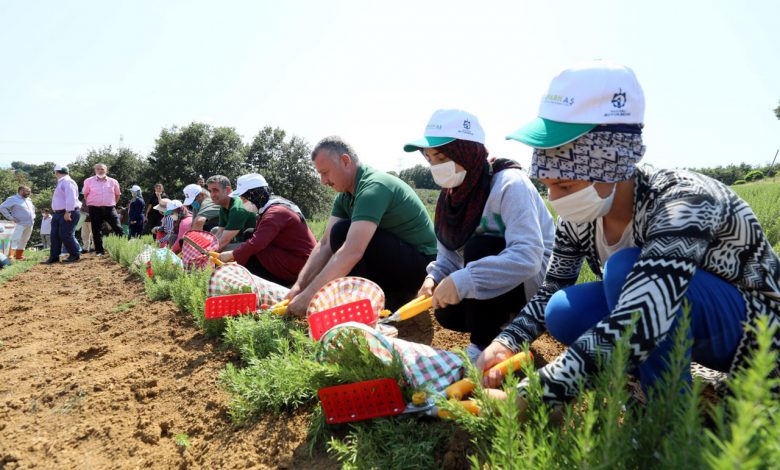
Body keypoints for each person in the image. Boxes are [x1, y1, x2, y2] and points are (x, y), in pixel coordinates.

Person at [477, 60, 780, 407]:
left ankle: (666, 411)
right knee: (563, 310)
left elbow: (645, 309)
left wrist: (535, 395)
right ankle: (645, 378)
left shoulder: (685, 200)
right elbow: (552, 287)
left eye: (565, 185)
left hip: (760, 336)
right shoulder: (581, 216)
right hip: (685, 325)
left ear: (611, 164)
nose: (555, 199)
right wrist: (507, 341)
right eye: (548, 185)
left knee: (625, 269)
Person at [403, 109, 555, 363]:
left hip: (535, 285)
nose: (435, 167)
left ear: (466, 151)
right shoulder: (451, 197)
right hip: (500, 283)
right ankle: (503, 325)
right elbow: (448, 256)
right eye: (430, 159)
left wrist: (464, 279)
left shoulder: (509, 183)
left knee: (481, 246)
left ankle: (484, 343)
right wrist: (434, 278)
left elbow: (528, 256)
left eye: (442, 157)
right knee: (447, 312)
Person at [285, 136, 438, 316]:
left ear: (345, 161)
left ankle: (379, 300)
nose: (323, 181)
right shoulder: (345, 196)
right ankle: (374, 298)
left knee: (342, 232)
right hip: (396, 259)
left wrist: (309, 297)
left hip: (423, 267)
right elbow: (325, 244)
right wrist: (299, 287)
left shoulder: (374, 187)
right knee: (337, 234)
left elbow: (352, 251)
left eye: (325, 172)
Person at [217, 173, 316, 287]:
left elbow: (257, 243)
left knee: (253, 251)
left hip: (300, 264)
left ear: (255, 195)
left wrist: (232, 254)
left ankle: (268, 285)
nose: (242, 202)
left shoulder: (275, 212)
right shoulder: (273, 204)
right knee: (249, 234)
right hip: (296, 257)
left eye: (244, 198)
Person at [41, 165, 81, 264]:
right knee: (54, 235)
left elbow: (71, 197)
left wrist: (68, 211)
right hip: (58, 213)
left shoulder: (67, 181)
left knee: (66, 235)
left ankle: (75, 255)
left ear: (56, 172)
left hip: (67, 211)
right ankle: (54, 257)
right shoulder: (62, 181)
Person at [206, 175, 257, 251]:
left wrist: (204, 254)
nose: (212, 195)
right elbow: (220, 232)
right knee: (215, 230)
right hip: (239, 240)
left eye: (215, 190)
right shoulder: (223, 206)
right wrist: (207, 247)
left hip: (252, 244)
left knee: (222, 250)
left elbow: (222, 243)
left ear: (228, 190)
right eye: (210, 191)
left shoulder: (237, 208)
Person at [82, 163, 123, 256]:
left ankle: (122, 248)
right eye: (98, 169)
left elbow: (117, 195)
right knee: (96, 231)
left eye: (102, 169)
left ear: (106, 170)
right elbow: (85, 194)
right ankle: (99, 251)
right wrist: (91, 203)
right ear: (95, 170)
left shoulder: (113, 181)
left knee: (118, 228)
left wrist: (113, 204)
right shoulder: (88, 181)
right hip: (94, 209)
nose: (100, 171)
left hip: (110, 208)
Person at [0, 185, 35, 260]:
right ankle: (11, 256)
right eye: (27, 191)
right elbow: (2, 207)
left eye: (29, 191)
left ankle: (19, 256)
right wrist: (10, 218)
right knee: (15, 239)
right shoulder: (13, 199)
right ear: (21, 191)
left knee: (25, 239)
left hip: (30, 223)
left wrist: (33, 216)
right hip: (19, 223)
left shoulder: (29, 199)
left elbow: (32, 209)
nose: (29, 193)